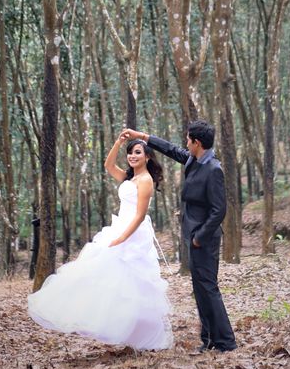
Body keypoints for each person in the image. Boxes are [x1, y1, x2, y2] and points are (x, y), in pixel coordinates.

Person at [27, 133, 173, 350]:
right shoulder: (128, 177)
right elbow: (108, 165)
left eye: (137, 152)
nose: (132, 156)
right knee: (111, 276)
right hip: (119, 227)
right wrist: (118, 143)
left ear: (148, 157)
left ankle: (143, 335)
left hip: (133, 233)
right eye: (130, 152)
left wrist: (123, 237)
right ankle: (122, 328)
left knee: (135, 281)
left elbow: (140, 215)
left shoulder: (146, 180)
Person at [123, 121, 236, 353]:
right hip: (193, 235)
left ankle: (226, 342)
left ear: (197, 143)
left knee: (208, 288)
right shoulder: (194, 160)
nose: (185, 143)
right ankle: (209, 339)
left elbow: (219, 211)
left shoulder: (213, 168)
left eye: (188, 140)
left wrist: (198, 237)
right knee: (201, 289)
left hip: (204, 239)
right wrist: (141, 136)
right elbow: (170, 149)